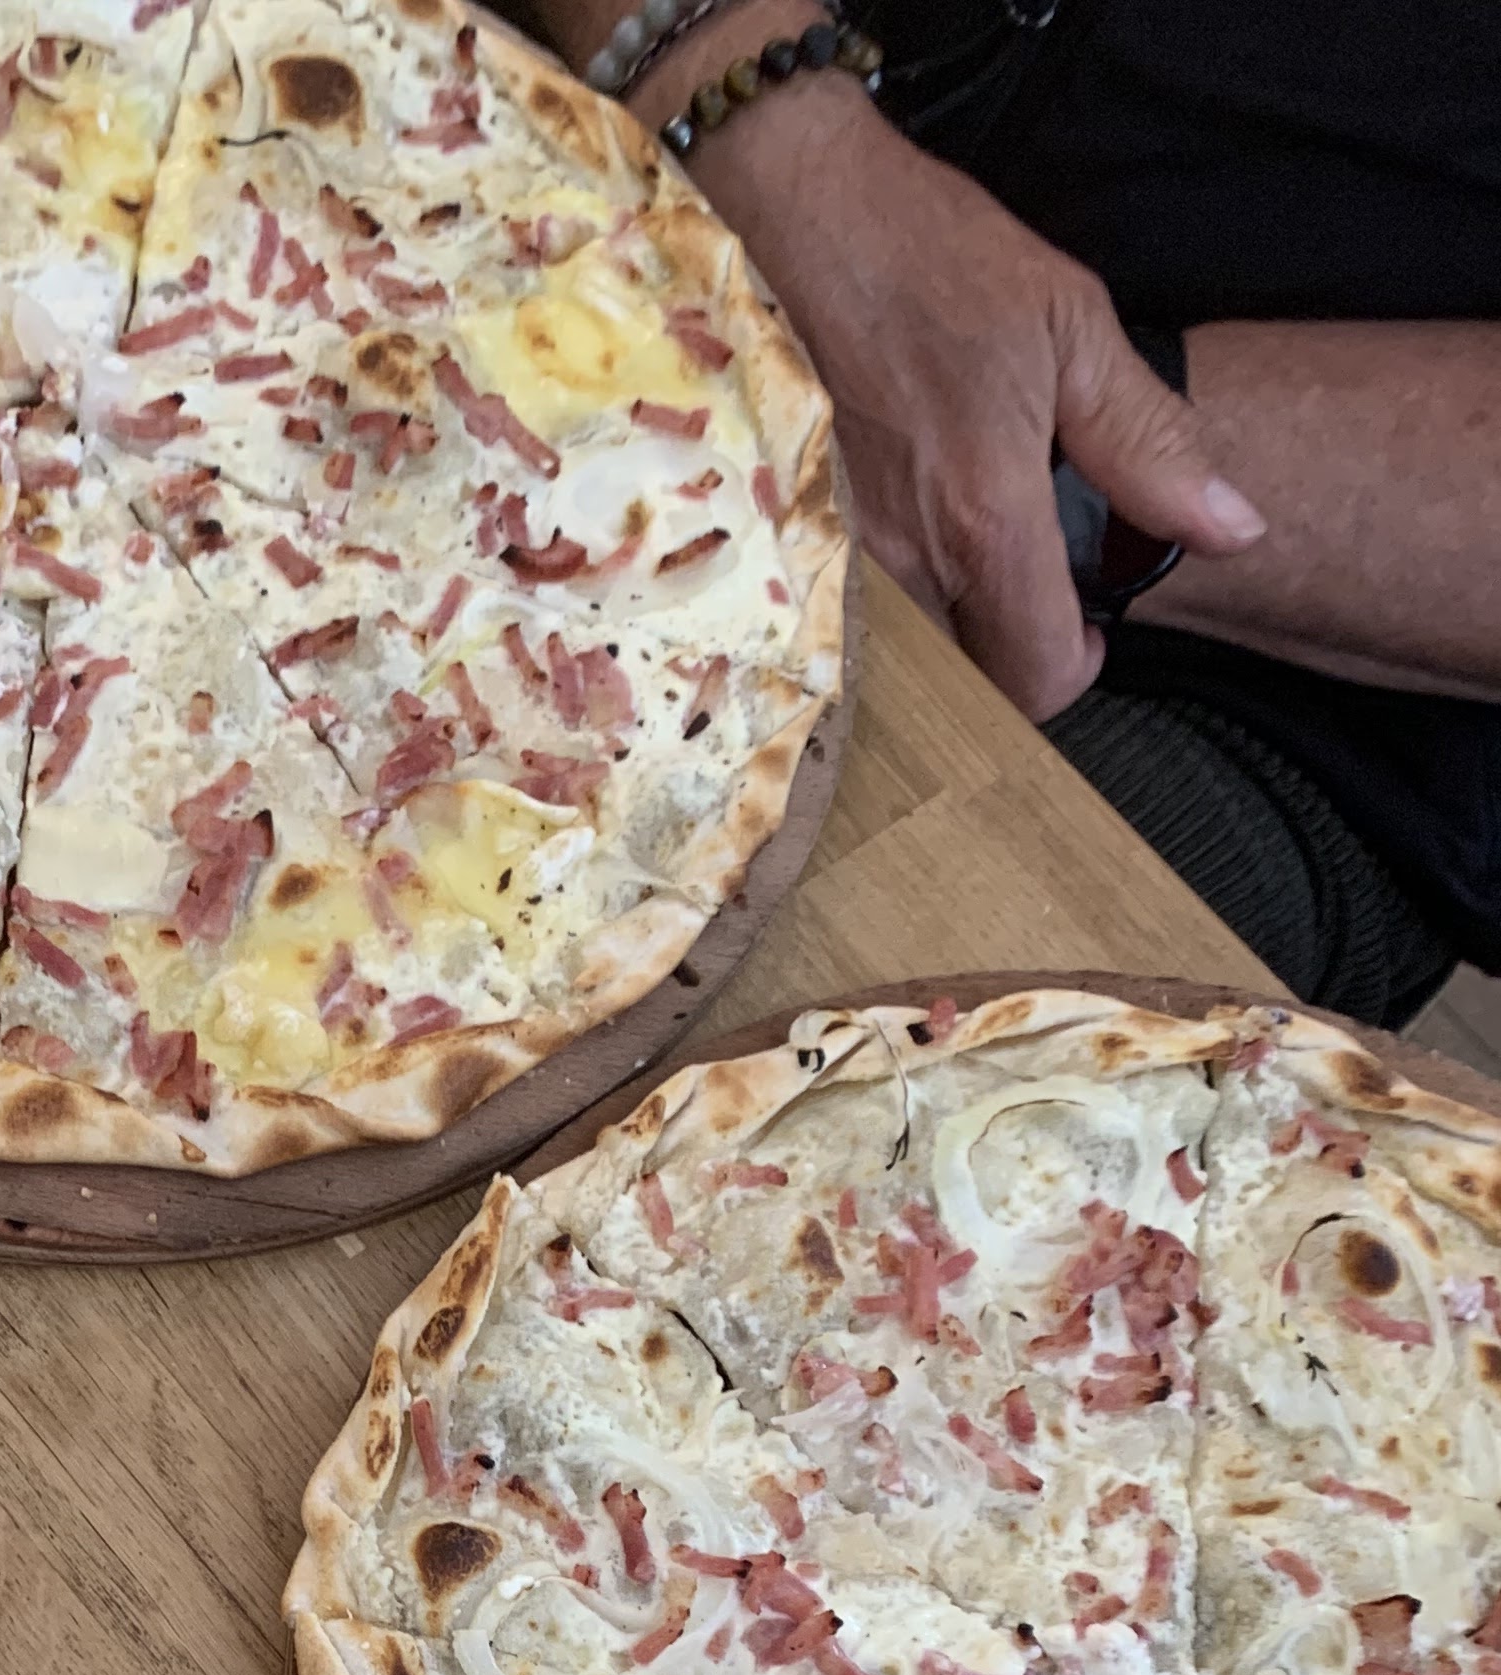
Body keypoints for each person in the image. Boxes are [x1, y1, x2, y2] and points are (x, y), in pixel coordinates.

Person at [509, 0, 1501, 1026]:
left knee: (737, 1036)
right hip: (636, 120)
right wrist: (741, 93)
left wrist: (1058, 472)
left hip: (1257, 683)